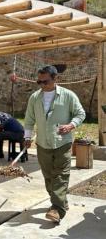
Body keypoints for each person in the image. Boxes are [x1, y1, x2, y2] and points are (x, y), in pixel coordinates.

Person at [23, 65, 85, 223]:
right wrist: (27, 137)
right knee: (48, 176)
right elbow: (29, 119)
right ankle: (61, 201)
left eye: (46, 81)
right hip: (43, 143)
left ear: (55, 78)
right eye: (39, 82)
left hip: (62, 143)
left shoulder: (68, 95)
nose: (42, 85)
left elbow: (80, 113)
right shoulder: (34, 98)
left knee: (61, 175)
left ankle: (57, 209)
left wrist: (71, 125)